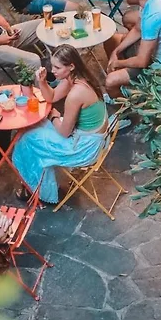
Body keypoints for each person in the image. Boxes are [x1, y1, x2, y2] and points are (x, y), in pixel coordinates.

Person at [12, 45, 108, 203]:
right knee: (34, 128)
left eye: (57, 67)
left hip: (83, 148)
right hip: (92, 137)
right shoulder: (78, 78)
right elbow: (52, 97)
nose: (53, 71)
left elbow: (64, 132)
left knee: (27, 140)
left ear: (71, 66)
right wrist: (42, 82)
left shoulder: (76, 94)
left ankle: (38, 190)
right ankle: (37, 183)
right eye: (52, 66)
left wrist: (54, 117)